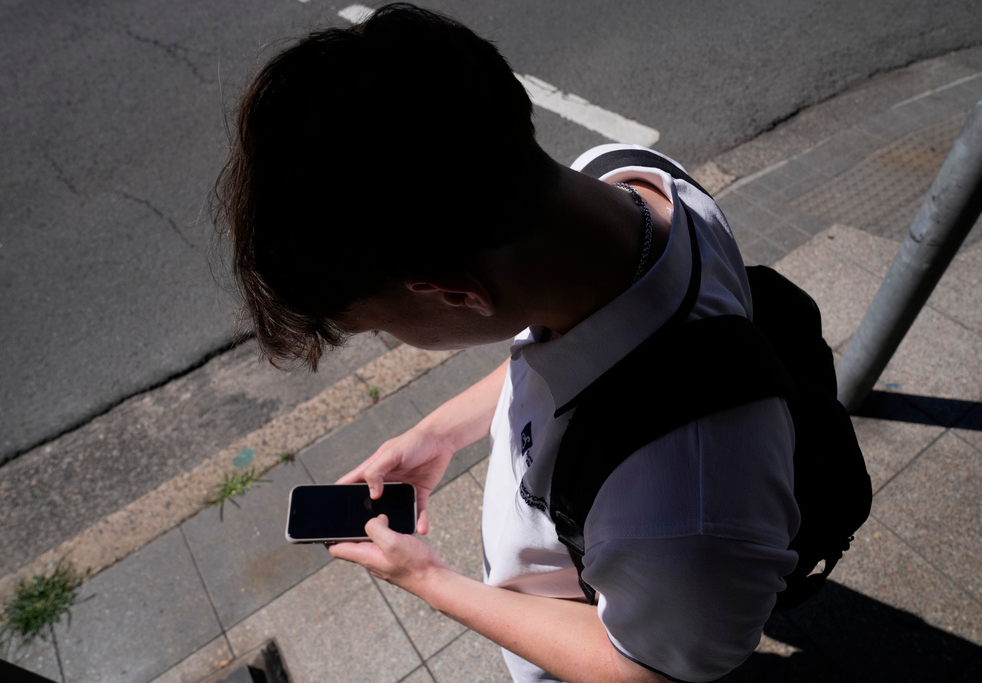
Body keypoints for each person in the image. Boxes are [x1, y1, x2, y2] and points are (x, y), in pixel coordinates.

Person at [215, 4, 799, 682]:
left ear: (457, 291)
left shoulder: (685, 514)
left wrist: (432, 580)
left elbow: (648, 668)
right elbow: (566, 357)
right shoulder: (618, 189)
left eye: (379, 325)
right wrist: (440, 432)